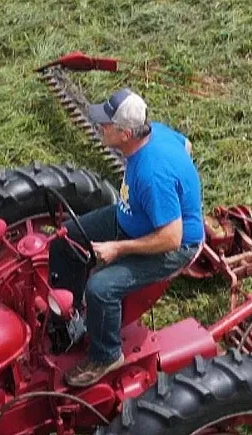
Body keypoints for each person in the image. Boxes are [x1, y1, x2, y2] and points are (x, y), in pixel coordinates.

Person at [52, 88, 204, 387]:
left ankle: (107, 354)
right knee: (66, 238)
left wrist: (118, 249)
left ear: (125, 134)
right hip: (132, 215)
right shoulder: (155, 132)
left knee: (101, 288)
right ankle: (70, 315)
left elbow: (172, 239)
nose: (99, 127)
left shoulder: (152, 175)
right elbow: (185, 146)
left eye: (105, 125)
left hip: (172, 245)